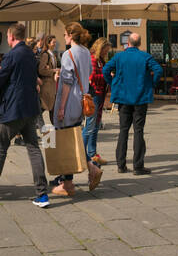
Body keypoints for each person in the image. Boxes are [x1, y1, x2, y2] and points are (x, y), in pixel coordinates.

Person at [0, 23, 50, 206]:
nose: (6, 39)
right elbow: (20, 78)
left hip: (14, 109)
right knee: (34, 149)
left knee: (0, 148)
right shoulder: (30, 53)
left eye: (7, 37)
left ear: (11, 36)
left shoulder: (12, 55)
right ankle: (42, 194)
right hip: (31, 108)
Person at [49, 22, 102, 196]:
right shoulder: (86, 52)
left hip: (70, 100)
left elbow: (66, 83)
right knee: (73, 138)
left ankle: (69, 182)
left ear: (71, 35)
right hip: (82, 99)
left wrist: (61, 107)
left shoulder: (68, 54)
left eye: (65, 34)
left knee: (66, 140)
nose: (64, 37)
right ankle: (73, 178)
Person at [103, 32, 162, 174]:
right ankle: (138, 165)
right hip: (140, 97)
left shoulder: (119, 56)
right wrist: (151, 84)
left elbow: (105, 69)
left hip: (123, 97)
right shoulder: (145, 56)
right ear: (139, 43)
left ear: (127, 43)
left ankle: (121, 165)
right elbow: (158, 70)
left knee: (123, 130)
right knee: (138, 130)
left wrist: (113, 83)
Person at [84, 38, 111, 164]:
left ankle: (92, 153)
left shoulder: (100, 60)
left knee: (95, 125)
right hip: (94, 94)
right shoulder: (93, 59)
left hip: (100, 94)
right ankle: (82, 153)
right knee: (90, 125)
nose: (107, 52)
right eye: (106, 50)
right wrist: (107, 76)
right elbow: (92, 76)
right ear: (101, 47)